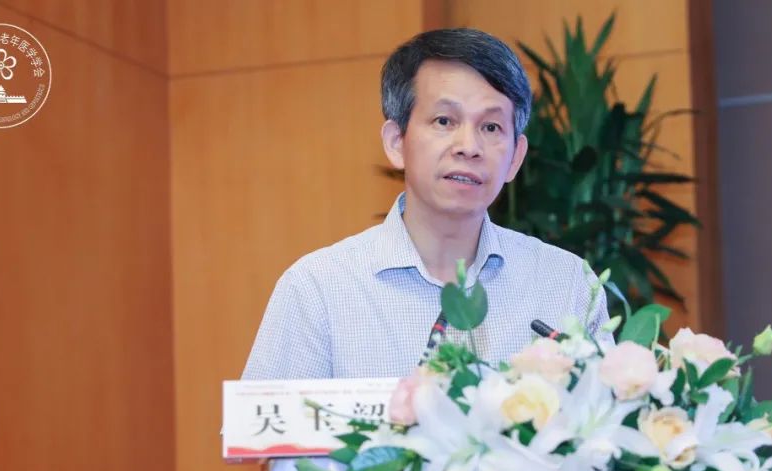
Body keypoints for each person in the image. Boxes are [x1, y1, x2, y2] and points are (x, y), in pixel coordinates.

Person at [242, 28, 610, 381]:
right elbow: (265, 426)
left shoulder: (567, 283)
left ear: (515, 158)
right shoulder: (318, 289)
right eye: (444, 120)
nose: (469, 147)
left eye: (491, 127)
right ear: (396, 142)